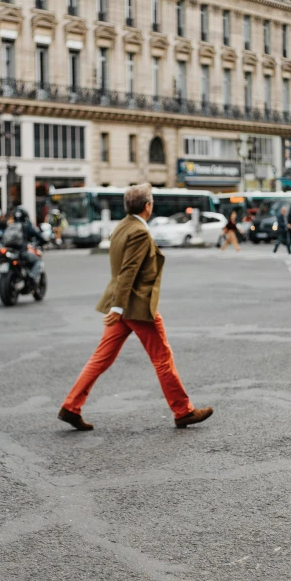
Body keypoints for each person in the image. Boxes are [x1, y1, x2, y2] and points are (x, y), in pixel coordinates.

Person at [58, 183, 213, 431]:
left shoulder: (122, 227)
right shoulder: (139, 232)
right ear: (148, 206)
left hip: (121, 304)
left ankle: (71, 405)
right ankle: (183, 411)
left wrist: (117, 307)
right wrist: (119, 307)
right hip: (136, 305)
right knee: (162, 357)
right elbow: (128, 270)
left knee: (101, 358)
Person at [11, 206, 47, 282]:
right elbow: (38, 234)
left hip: (11, 252)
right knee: (38, 260)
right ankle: (31, 278)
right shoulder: (27, 225)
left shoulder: (11, 225)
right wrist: (44, 240)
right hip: (22, 252)